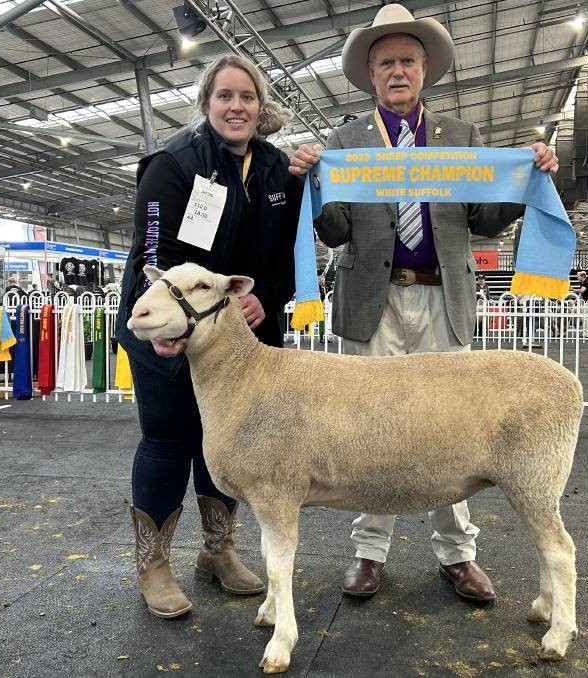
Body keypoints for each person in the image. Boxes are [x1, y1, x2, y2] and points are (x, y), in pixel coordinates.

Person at [288, 3, 558, 603]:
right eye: (386, 63)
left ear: (426, 68)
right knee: (366, 430)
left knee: (453, 429)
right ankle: (368, 552)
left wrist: (528, 178)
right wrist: (309, 181)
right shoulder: (345, 140)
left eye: (407, 60)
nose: (397, 70)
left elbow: (485, 221)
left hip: (445, 294)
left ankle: (458, 556)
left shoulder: (462, 137)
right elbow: (334, 231)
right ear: (371, 74)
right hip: (371, 300)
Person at [115, 54, 302, 619]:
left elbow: (287, 257)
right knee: (170, 436)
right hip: (167, 328)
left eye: (247, 96)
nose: (236, 106)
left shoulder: (277, 170)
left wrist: (263, 298)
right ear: (206, 104)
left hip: (242, 337)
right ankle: (154, 563)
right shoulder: (171, 166)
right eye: (224, 96)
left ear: (260, 104)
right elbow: (156, 255)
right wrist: (173, 324)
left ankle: (218, 550)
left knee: (229, 442)